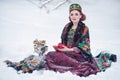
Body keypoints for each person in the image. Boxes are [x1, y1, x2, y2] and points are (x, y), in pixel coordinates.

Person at [45, 3, 100, 77]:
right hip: (66, 53)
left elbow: (85, 46)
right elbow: (63, 42)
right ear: (69, 16)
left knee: (79, 64)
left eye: (76, 14)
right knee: (49, 55)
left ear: (80, 15)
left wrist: (69, 50)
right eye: (72, 14)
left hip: (78, 55)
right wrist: (61, 48)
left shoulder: (84, 28)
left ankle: (76, 65)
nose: (74, 16)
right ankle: (66, 63)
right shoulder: (67, 27)